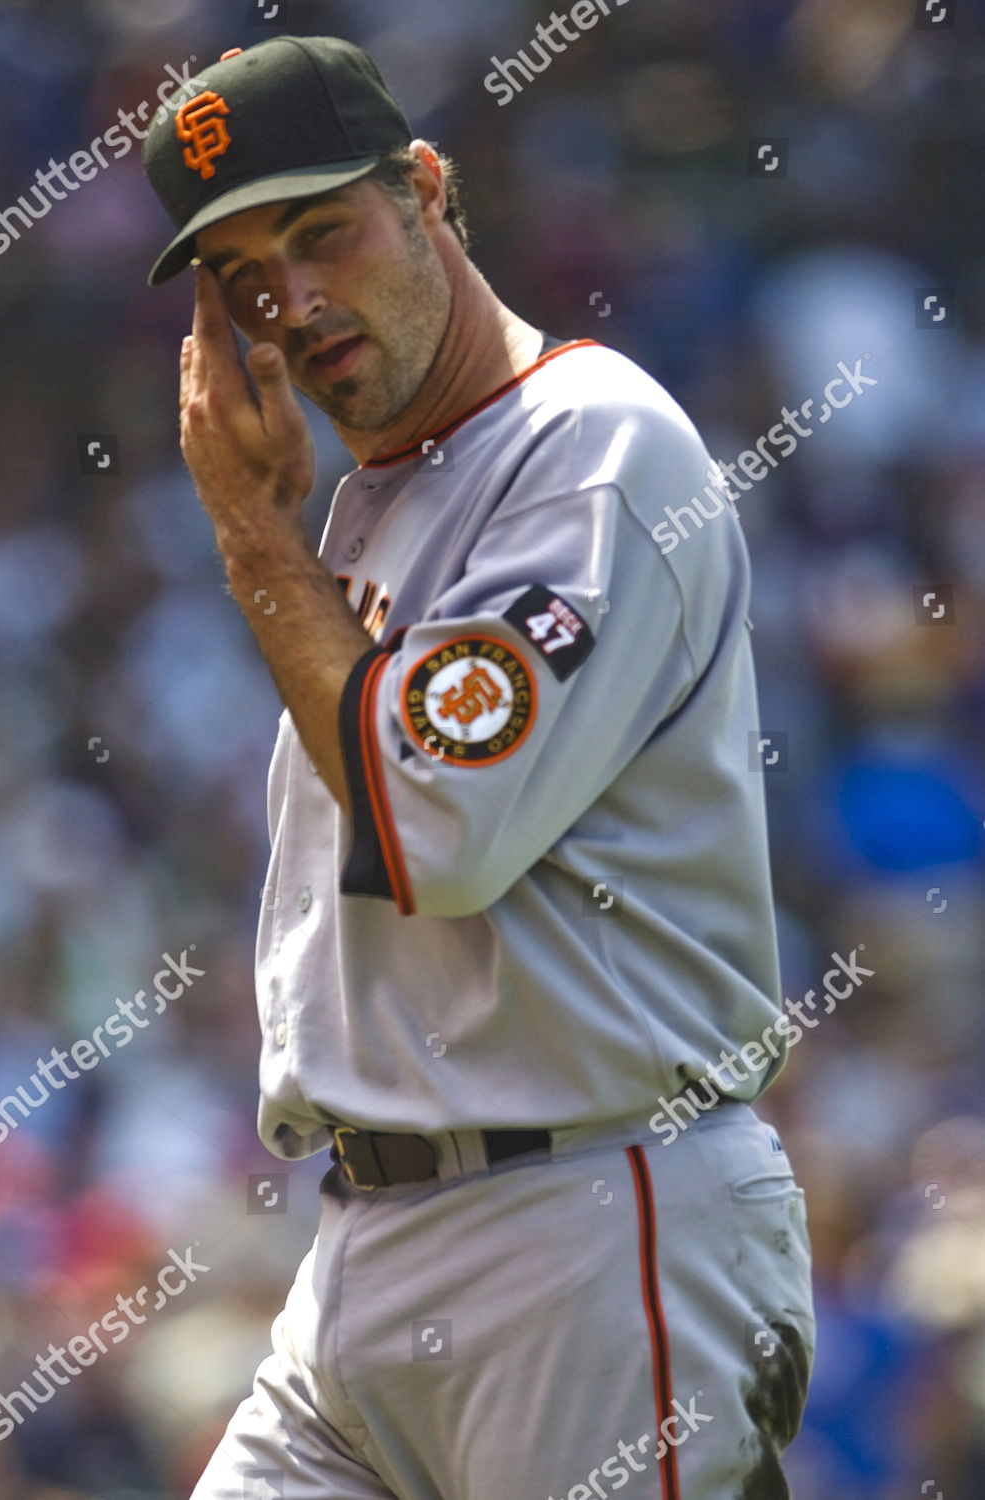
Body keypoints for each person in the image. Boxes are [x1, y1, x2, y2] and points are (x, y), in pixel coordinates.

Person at [143, 33, 815, 1500]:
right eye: (248, 275)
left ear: (429, 189)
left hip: (587, 1217)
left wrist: (251, 537)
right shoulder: (375, 497)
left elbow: (436, 833)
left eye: (325, 231)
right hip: (370, 1248)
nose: (296, 299)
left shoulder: (590, 442)